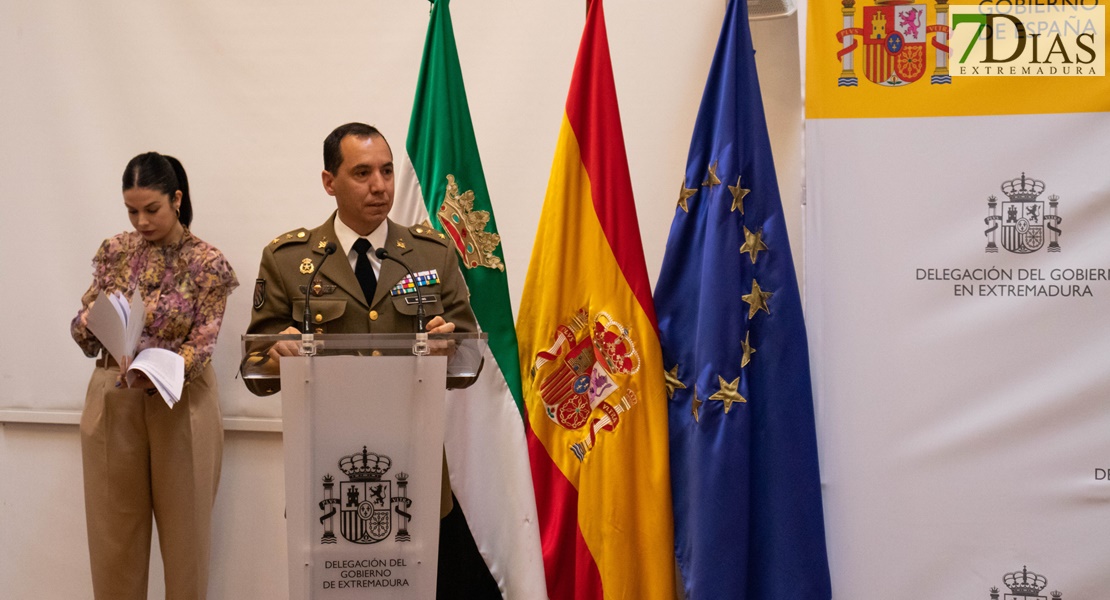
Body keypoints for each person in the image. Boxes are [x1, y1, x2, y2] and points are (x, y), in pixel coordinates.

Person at [244, 122, 500, 599]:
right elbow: (255, 368)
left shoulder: (431, 253)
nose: (380, 185)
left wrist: (450, 345)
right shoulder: (288, 259)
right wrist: (276, 353)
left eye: (385, 171)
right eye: (362, 173)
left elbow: (470, 358)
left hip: (413, 466)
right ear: (329, 182)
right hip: (324, 468)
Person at [70, 152, 238, 600]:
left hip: (179, 399)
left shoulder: (208, 262)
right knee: (114, 541)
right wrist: (88, 323)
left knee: (187, 542)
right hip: (114, 396)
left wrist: (163, 368)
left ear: (176, 199)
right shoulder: (114, 251)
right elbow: (84, 328)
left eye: (151, 209)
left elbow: (202, 344)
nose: (141, 221)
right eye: (131, 210)